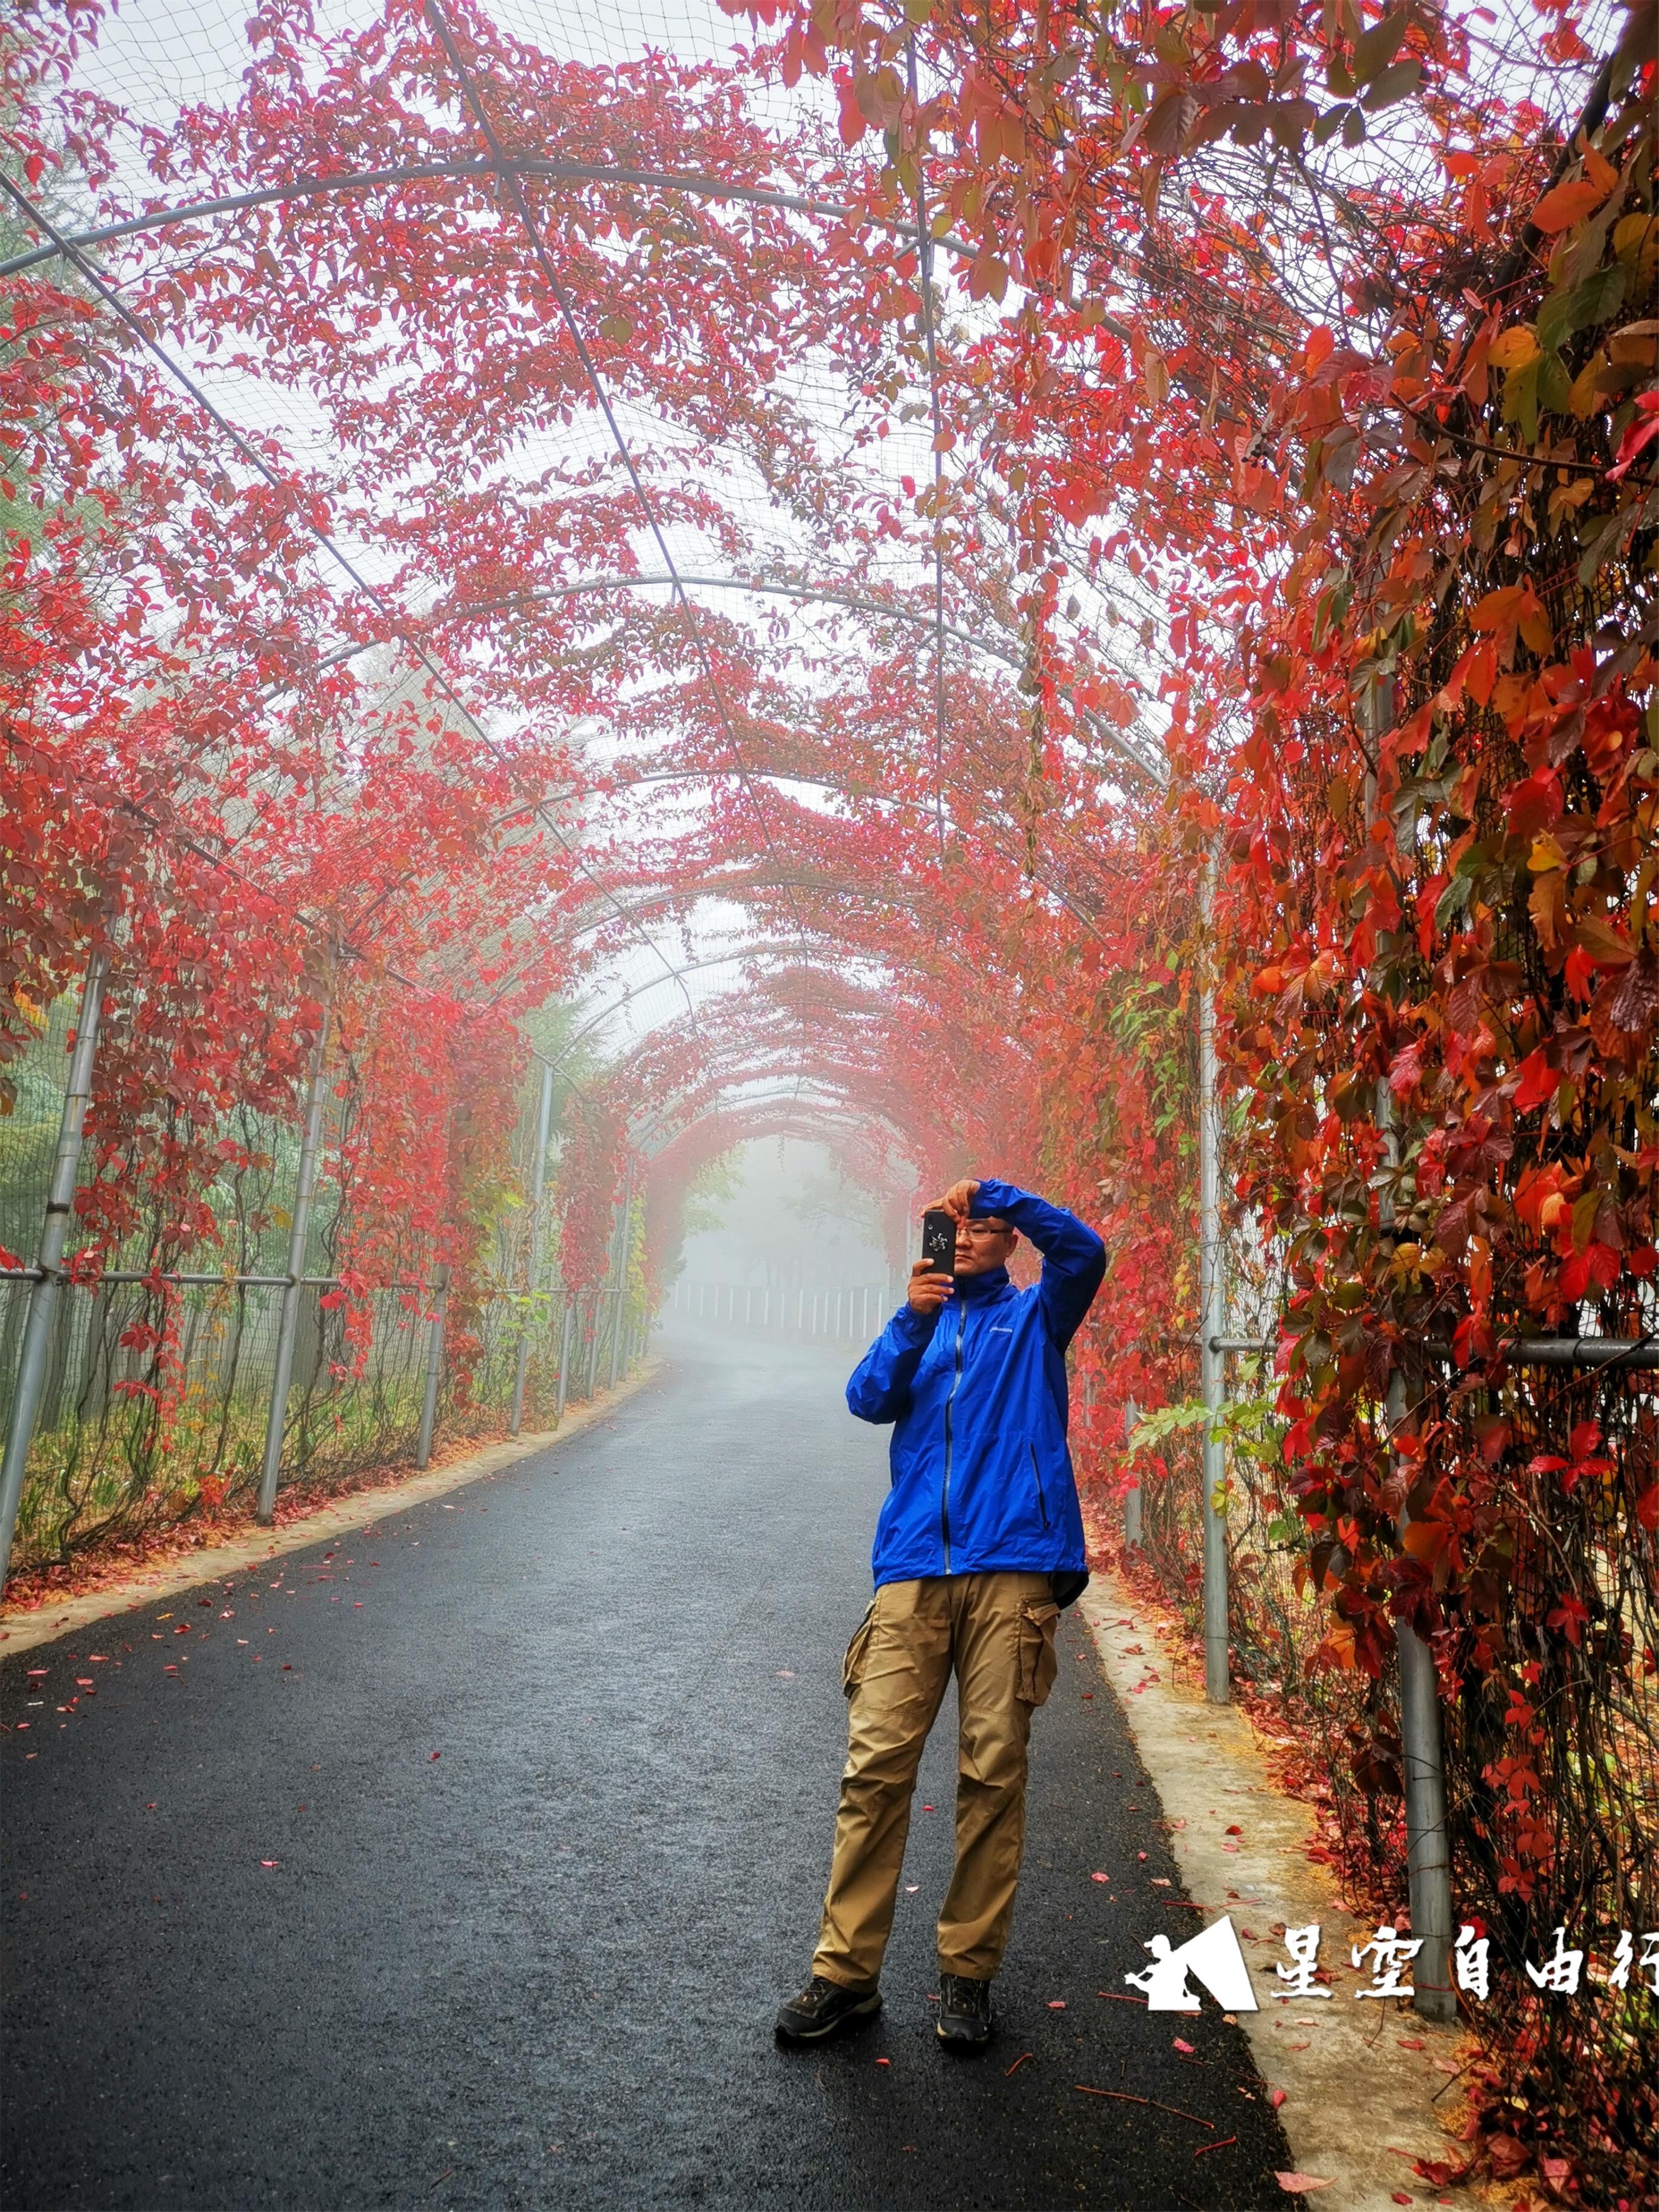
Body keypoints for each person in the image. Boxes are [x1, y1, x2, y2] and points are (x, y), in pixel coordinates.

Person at [775, 1174, 1106, 2052]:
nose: (965, 1239)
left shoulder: (1036, 1319)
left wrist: (998, 1188)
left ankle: (967, 1975)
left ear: (1008, 1242)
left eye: (985, 1227)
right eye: (951, 1227)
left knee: (992, 1772)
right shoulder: (918, 1322)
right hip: (915, 1565)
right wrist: (912, 1318)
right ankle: (845, 1975)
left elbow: (1086, 1251)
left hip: (1015, 1565)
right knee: (875, 1765)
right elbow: (866, 1397)